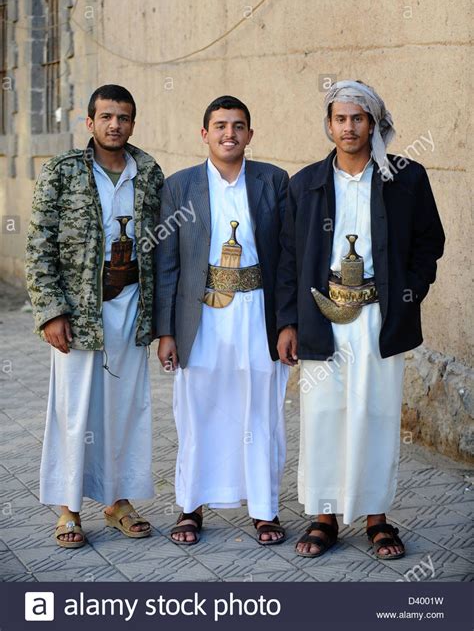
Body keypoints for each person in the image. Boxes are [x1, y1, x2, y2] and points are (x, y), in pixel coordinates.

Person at [277, 80, 445, 559]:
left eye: (358, 118)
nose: (349, 127)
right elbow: (288, 257)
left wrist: (409, 295)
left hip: (379, 316)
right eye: (340, 119)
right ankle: (324, 516)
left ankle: (376, 517)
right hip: (321, 316)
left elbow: (429, 242)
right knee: (323, 413)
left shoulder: (405, 178)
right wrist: (288, 322)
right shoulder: (305, 183)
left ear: (373, 123)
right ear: (328, 125)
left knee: (375, 413)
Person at [25, 84, 164, 548]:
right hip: (79, 309)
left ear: (132, 123)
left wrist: (159, 320)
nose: (115, 125)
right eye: (106, 117)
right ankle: (68, 510)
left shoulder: (147, 171)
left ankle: (118, 500)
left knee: (124, 408)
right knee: (74, 411)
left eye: (123, 117)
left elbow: (161, 248)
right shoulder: (63, 172)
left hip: (130, 306)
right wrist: (51, 311)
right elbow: (39, 243)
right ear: (90, 122)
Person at [154, 95, 289, 545]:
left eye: (237, 126)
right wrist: (167, 331)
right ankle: (191, 507)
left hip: (257, 310)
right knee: (197, 409)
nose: (228, 134)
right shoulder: (180, 187)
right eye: (219, 126)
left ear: (250, 134)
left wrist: (288, 323)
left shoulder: (273, 181)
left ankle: (264, 509)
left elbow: (288, 257)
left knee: (259, 408)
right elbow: (167, 264)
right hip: (203, 313)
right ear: (204, 133)